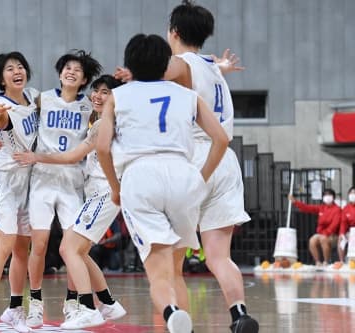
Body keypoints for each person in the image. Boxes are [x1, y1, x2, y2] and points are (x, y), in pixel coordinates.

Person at [114, 3, 257, 331]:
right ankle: (239, 315)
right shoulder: (212, 66)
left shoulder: (178, 63)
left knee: (172, 266)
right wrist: (221, 64)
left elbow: (153, 75)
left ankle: (179, 323)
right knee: (220, 256)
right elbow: (202, 69)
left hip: (193, 159)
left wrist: (130, 75)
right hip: (226, 160)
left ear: (173, 32)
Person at [98, 33, 229, 333]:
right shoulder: (188, 95)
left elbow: (103, 147)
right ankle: (184, 325)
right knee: (176, 270)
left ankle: (170, 313)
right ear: (165, 62)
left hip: (141, 176)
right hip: (183, 175)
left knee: (157, 272)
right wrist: (200, 178)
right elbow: (221, 138)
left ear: (131, 62)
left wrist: (116, 188)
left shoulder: (118, 96)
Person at [13, 74, 126, 329]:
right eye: (96, 90)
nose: (97, 95)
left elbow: (76, 156)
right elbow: (73, 154)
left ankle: (87, 306)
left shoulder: (107, 124)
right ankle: (108, 303)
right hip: (99, 192)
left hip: (105, 192)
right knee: (79, 251)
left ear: (116, 97)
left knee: (68, 249)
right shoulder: (101, 122)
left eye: (105, 92)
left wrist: (36, 157)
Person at [19, 50, 101, 327]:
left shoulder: (89, 106)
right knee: (39, 245)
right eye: (67, 67)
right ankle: (35, 303)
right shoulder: (42, 98)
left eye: (77, 70)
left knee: (73, 248)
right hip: (42, 179)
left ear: (84, 79)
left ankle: (73, 302)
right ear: (60, 72)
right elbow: (19, 120)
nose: (71, 72)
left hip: (71, 182)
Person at [0, 51, 39, 332]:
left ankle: (15, 309)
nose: (17, 70)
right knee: (5, 244)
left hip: (26, 182)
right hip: (2, 182)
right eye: (10, 68)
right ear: (1, 78)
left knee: (23, 249)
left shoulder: (34, 97)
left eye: (21, 66)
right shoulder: (1, 104)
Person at [289, 189, 341, 266]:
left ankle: (326, 261)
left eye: (329, 195)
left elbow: (335, 225)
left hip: (333, 235)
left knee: (323, 239)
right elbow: (307, 208)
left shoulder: (337, 209)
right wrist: (295, 202)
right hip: (321, 233)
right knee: (312, 240)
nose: (327, 197)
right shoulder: (322, 208)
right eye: (325, 195)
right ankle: (318, 262)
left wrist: (325, 233)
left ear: (333, 197)